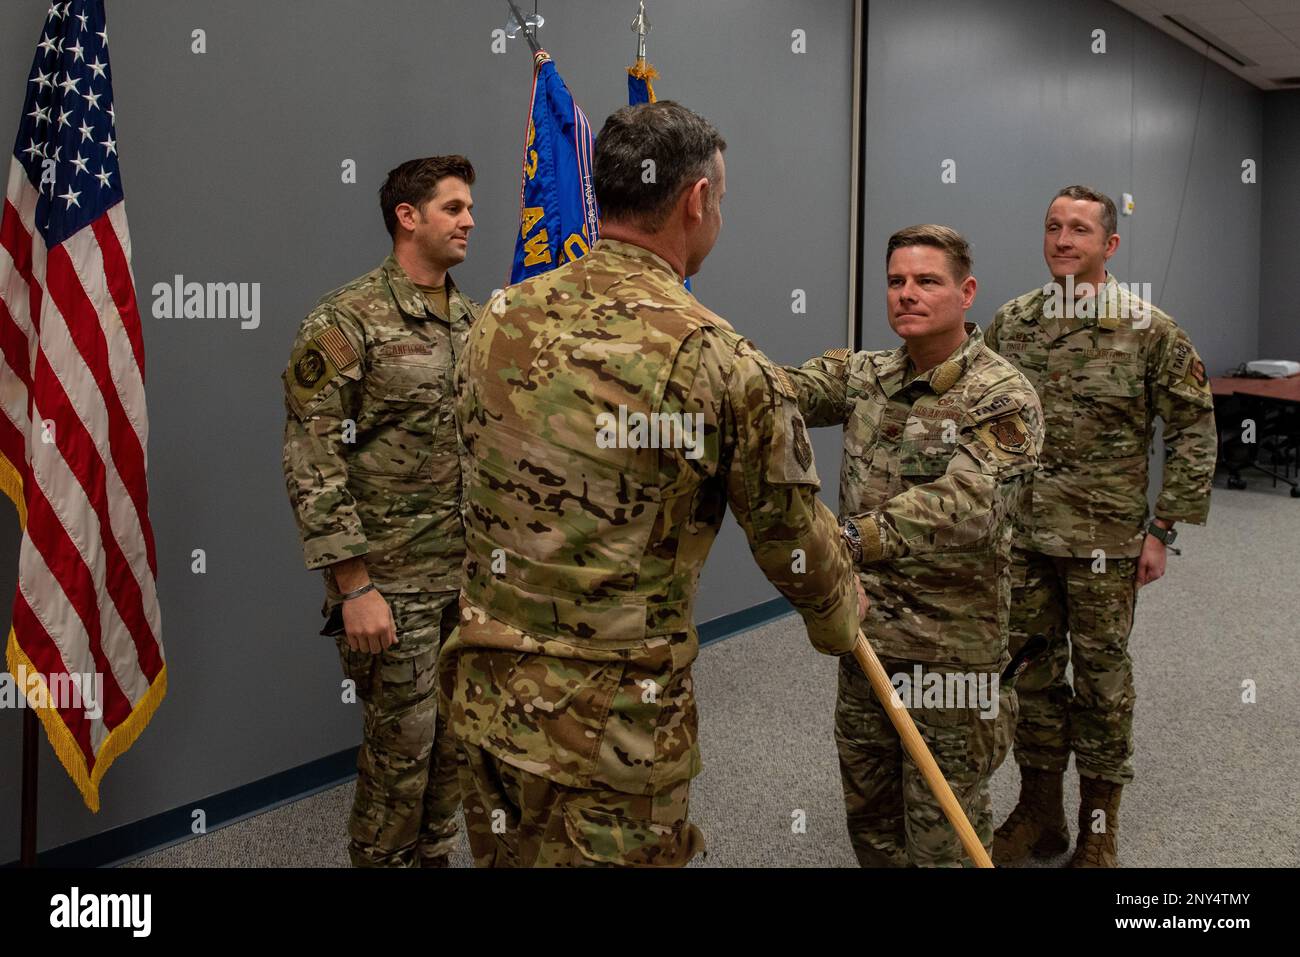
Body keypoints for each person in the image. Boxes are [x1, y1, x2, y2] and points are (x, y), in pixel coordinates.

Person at [440, 101, 866, 867]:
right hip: (610, 732)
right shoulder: (720, 360)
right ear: (696, 200)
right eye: (722, 200)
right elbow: (798, 550)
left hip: (488, 692)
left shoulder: (498, 313)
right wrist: (841, 614)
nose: (720, 215)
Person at [785, 225, 1043, 866]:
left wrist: (849, 539)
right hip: (866, 640)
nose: (907, 294)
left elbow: (970, 503)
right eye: (897, 281)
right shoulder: (864, 375)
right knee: (871, 823)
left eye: (927, 281)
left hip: (950, 657)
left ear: (966, 292)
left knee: (943, 835)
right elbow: (773, 391)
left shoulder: (1002, 395)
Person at [985, 185, 1216, 867]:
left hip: (1104, 543)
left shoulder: (1150, 329)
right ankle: (1039, 811)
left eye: (1079, 229)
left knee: (1102, 682)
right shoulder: (1012, 322)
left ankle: (1098, 825)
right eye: (1053, 226)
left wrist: (1162, 527)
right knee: (1028, 676)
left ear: (1109, 245)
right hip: (1023, 538)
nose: (1062, 239)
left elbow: (1193, 429)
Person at [282, 155, 480, 867]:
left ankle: (435, 854)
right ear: (408, 216)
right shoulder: (347, 319)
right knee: (401, 754)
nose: (468, 220)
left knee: (453, 746)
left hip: (463, 579)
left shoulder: (471, 318)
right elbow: (312, 459)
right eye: (453, 207)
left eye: (468, 207)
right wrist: (354, 584)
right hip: (390, 585)